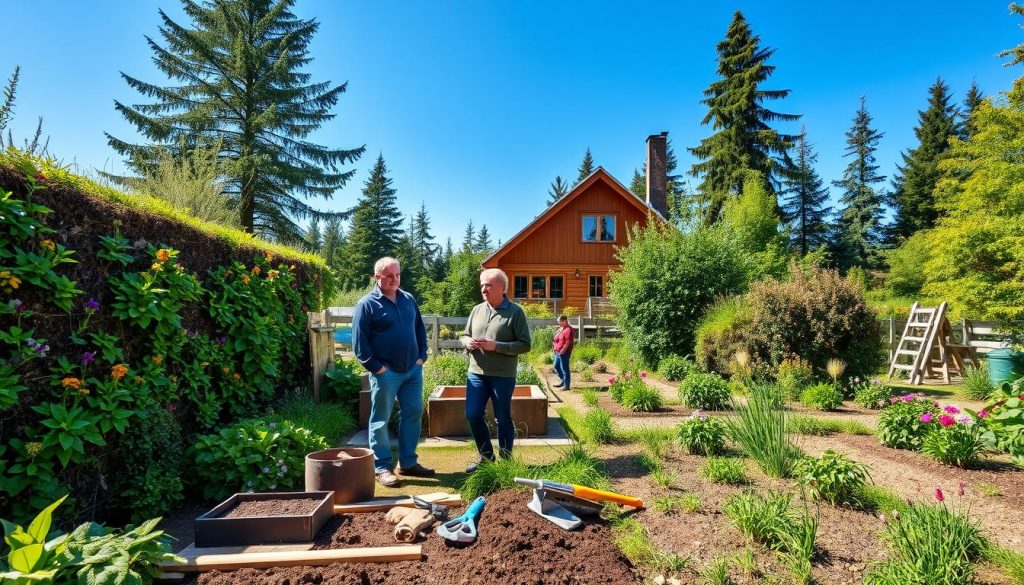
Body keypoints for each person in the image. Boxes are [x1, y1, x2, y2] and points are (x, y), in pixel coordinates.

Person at [352, 257, 435, 487]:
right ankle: (382, 467)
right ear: (377, 277)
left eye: (397, 274)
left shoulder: (408, 299)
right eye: (389, 275)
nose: (394, 279)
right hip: (385, 373)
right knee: (380, 419)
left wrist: (421, 357)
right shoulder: (367, 304)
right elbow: (360, 345)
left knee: (414, 413)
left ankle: (408, 462)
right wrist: (377, 368)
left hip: (412, 371)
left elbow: (419, 329)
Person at [460, 268, 531, 472]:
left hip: (503, 375)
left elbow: (525, 345)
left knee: (502, 417)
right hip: (476, 374)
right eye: (482, 284)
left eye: (488, 285)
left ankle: (506, 463)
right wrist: (467, 341)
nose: (484, 288)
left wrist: (497, 346)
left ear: (502, 287)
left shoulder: (515, 312)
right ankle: (486, 458)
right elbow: (464, 334)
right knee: (473, 414)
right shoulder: (477, 310)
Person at [552, 315, 575, 389]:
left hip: (564, 352)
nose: (559, 324)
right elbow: (556, 339)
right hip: (557, 351)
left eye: (560, 322)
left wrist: (563, 350)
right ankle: (563, 380)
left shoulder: (568, 329)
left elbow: (568, 342)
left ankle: (566, 385)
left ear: (565, 321)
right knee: (556, 366)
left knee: (564, 368)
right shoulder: (561, 328)